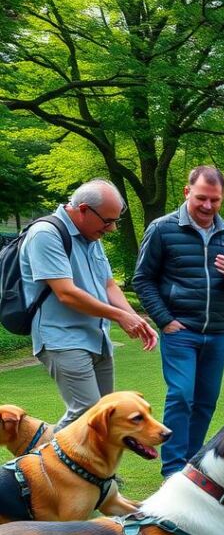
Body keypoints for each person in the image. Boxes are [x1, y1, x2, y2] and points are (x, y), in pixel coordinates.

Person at [133, 165, 224, 477]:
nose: (207, 206)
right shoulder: (162, 229)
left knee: (205, 402)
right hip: (180, 330)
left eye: (215, 200)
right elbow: (142, 279)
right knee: (181, 396)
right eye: (201, 198)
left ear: (222, 198)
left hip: (216, 332)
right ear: (187, 192)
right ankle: (172, 469)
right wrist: (164, 320)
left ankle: (190, 464)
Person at [20, 179, 158, 429]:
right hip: (62, 338)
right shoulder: (46, 234)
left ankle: (101, 470)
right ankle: (29, 465)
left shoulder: (92, 237)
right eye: (107, 221)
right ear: (83, 209)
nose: (112, 228)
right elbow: (66, 293)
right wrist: (119, 316)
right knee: (87, 415)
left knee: (105, 417)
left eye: (116, 221)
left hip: (97, 338)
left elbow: (108, 285)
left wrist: (133, 318)